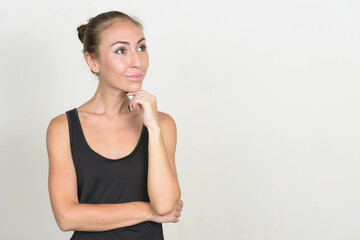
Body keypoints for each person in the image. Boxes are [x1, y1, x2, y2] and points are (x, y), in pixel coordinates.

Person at [46, 11, 183, 240]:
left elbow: (165, 204)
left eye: (141, 47)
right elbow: (67, 217)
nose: (136, 61)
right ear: (93, 61)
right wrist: (146, 210)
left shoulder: (162, 124)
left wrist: (154, 128)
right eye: (121, 50)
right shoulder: (63, 128)